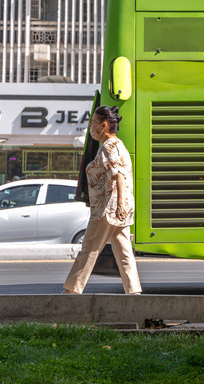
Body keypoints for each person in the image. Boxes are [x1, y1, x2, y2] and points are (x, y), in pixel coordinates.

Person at [63, 106, 141, 295]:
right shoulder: (119, 144)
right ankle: (133, 291)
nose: (90, 127)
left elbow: (118, 175)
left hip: (107, 208)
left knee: (89, 249)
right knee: (124, 252)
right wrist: (123, 204)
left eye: (93, 123)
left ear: (103, 126)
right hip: (120, 208)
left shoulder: (108, 146)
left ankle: (72, 291)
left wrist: (119, 203)